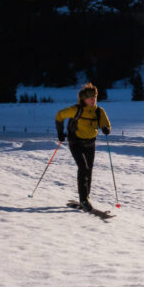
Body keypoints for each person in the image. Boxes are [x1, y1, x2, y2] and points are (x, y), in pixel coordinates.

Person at [55, 82, 111, 211]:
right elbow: (59, 115)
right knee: (83, 168)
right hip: (76, 143)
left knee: (89, 169)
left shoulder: (99, 111)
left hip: (91, 143)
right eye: (90, 98)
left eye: (95, 97)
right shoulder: (76, 110)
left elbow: (105, 123)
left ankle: (86, 197)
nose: (93, 100)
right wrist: (60, 133)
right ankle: (83, 199)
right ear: (83, 99)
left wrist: (106, 128)